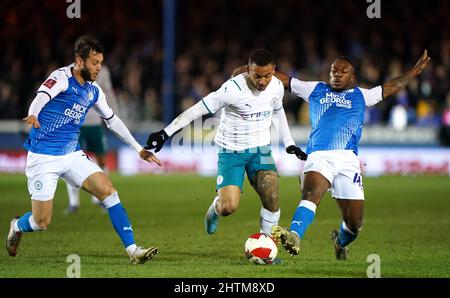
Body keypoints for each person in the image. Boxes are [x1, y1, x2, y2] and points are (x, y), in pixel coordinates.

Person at [6, 36, 161, 264]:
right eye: (94, 63)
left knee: (109, 191)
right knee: (41, 222)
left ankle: (133, 250)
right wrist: (34, 114)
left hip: (71, 154)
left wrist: (139, 149)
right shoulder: (61, 77)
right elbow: (42, 96)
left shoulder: (94, 91)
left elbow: (112, 120)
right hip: (43, 157)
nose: (99, 68)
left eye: (100, 62)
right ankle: (17, 225)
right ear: (79, 61)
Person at [266, 50, 430, 260]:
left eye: (343, 71)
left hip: (348, 160)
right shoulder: (316, 89)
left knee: (354, 223)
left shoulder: (362, 95)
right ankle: (295, 236)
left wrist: (414, 72)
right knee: (311, 193)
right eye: (334, 71)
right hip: (318, 154)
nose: (337, 74)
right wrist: (264, 70)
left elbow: (391, 87)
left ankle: (340, 241)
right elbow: (287, 81)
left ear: (352, 76)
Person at [145, 49, 307, 237]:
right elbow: (196, 110)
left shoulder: (277, 86)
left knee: (271, 194)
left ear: (274, 70)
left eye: (267, 76)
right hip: (231, 151)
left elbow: (277, 111)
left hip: (260, 150)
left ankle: (267, 244)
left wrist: (289, 143)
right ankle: (216, 208)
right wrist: (165, 133)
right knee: (229, 207)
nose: (262, 82)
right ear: (248, 69)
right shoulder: (232, 90)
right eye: (257, 76)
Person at [65, 64, 119, 214]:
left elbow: (108, 93)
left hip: (95, 123)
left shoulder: (104, 70)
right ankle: (73, 203)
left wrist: (115, 116)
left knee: (101, 159)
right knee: (71, 162)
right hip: (76, 124)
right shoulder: (69, 70)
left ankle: (100, 199)